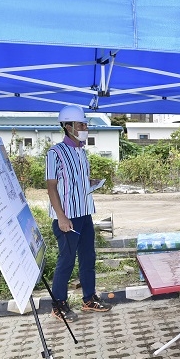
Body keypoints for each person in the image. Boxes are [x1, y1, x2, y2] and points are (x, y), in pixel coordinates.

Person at [46, 104, 112, 323]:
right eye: (81, 124)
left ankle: (89, 299)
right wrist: (62, 217)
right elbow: (52, 187)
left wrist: (90, 183)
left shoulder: (82, 152)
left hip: (84, 213)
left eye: (85, 124)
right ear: (68, 127)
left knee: (88, 257)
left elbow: (75, 183)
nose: (85, 127)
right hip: (67, 217)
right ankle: (59, 304)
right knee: (66, 260)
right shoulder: (55, 153)